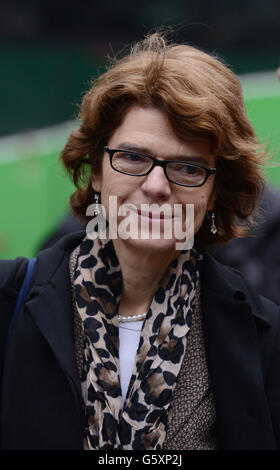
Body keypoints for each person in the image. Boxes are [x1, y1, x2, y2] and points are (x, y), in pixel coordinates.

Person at [0, 33, 280, 450]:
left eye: (187, 167)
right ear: (96, 169)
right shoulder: (8, 301)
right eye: (133, 157)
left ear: (215, 191)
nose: (155, 186)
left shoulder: (262, 336)